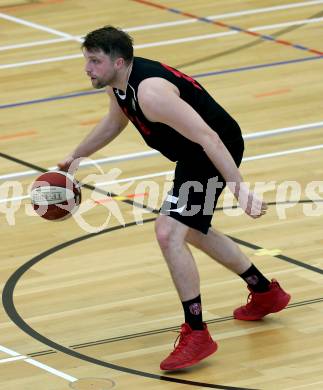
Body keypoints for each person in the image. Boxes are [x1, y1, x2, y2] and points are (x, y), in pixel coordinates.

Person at [58, 26, 291, 371]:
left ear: (119, 62)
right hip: (194, 154)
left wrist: (240, 188)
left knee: (169, 232)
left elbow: (210, 138)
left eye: (94, 61)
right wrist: (76, 156)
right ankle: (264, 291)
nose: (87, 68)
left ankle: (197, 333)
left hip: (213, 150)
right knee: (191, 230)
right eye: (86, 60)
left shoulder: (152, 93)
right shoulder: (119, 86)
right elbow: (115, 121)